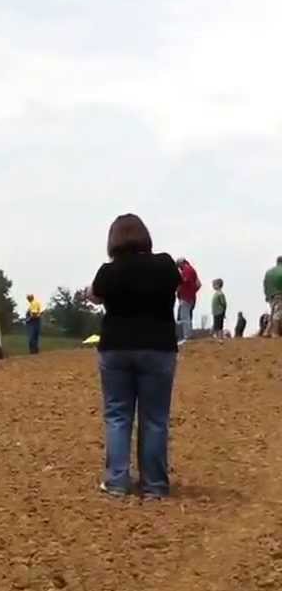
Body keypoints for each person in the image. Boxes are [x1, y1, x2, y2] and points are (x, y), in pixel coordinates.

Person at [88, 213, 180, 499]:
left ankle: (116, 482)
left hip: (116, 347)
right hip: (158, 347)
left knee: (117, 415)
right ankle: (154, 486)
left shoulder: (108, 271)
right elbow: (178, 285)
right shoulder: (165, 264)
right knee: (154, 419)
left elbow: (94, 295)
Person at [175, 257, 201, 343]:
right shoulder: (191, 269)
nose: (179, 268)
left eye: (179, 265)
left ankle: (187, 336)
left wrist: (179, 289)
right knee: (186, 316)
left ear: (181, 263)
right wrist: (193, 291)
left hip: (186, 296)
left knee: (185, 317)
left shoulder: (187, 270)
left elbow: (184, 282)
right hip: (189, 296)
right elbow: (198, 284)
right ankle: (187, 335)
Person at [264, 255, 282, 337]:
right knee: (278, 314)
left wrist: (267, 295)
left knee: (272, 313)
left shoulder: (268, 272)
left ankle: (267, 332)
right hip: (280, 294)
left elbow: (265, 284)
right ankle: (275, 333)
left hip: (271, 296)